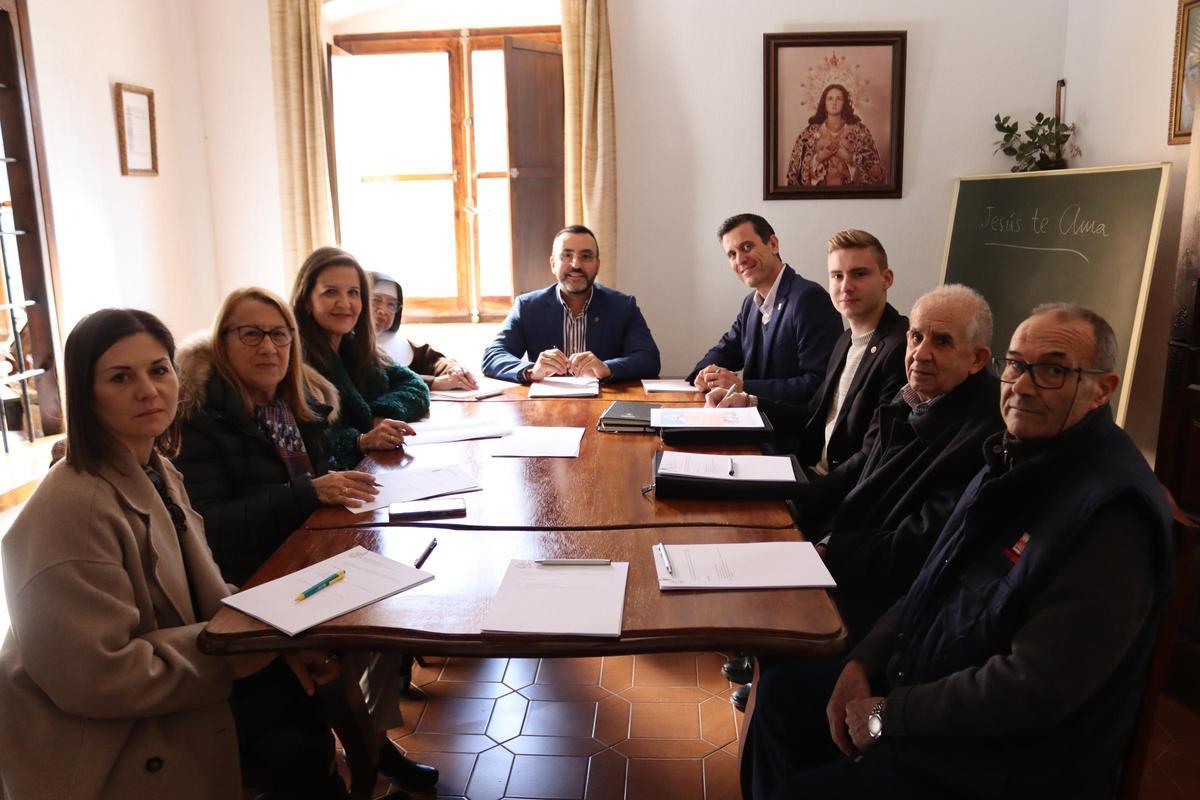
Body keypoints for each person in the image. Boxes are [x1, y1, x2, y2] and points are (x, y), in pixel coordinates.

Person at [746, 303, 1173, 800]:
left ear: (1103, 388)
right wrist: (863, 663)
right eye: (1015, 365)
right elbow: (931, 577)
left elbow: (1034, 687)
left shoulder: (1113, 514)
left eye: (1054, 370)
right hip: (922, 685)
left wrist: (890, 714)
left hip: (1000, 757)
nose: (1024, 385)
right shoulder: (1011, 455)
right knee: (780, 700)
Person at [0, 308, 341, 800]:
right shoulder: (75, 508)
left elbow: (207, 594)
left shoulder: (156, 467)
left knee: (307, 702)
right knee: (296, 745)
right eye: (121, 377)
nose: (148, 390)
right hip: (102, 742)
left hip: (163, 684)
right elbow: (100, 677)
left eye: (159, 370)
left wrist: (283, 646)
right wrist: (247, 652)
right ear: (85, 394)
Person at [174, 287, 438, 794]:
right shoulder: (204, 420)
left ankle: (372, 747)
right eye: (250, 334)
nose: (268, 347)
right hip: (251, 589)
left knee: (396, 606)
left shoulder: (295, 406)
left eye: (279, 335)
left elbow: (315, 485)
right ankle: (356, 758)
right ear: (222, 343)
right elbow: (208, 528)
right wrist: (309, 491)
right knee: (308, 710)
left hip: (305, 568)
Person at [710, 229, 907, 476]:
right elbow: (811, 416)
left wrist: (806, 494)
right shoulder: (846, 341)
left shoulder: (901, 347)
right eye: (837, 276)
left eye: (859, 274)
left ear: (886, 279)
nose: (846, 286)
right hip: (809, 471)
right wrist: (748, 402)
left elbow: (872, 456)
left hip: (837, 494)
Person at [291, 246, 430, 470]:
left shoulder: (358, 345)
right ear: (307, 299)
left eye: (353, 292)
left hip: (372, 471)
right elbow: (301, 443)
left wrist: (381, 416)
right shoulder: (294, 360)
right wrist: (361, 440)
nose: (345, 303)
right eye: (330, 292)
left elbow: (415, 385)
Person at [688, 213, 842, 405]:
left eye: (747, 247)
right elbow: (725, 351)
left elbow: (818, 384)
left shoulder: (808, 298)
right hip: (754, 423)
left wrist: (743, 387)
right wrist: (705, 373)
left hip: (791, 429)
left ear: (773, 244)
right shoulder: (750, 305)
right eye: (732, 254)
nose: (740, 260)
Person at [481, 224, 661, 383]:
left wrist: (607, 368)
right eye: (567, 255)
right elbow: (493, 356)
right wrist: (531, 370)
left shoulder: (622, 306)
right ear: (553, 264)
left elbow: (649, 358)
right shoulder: (528, 307)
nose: (576, 264)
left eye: (586, 256)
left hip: (604, 405)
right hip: (546, 408)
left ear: (597, 265)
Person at [369, 271, 479, 391]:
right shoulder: (348, 343)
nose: (383, 310)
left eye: (391, 304)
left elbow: (434, 361)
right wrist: (434, 382)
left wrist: (455, 370)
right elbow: (379, 377)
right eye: (375, 300)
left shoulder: (401, 344)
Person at [786, 83, 885, 187]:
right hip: (817, 199)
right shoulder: (808, 134)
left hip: (851, 198)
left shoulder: (860, 132)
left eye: (839, 98)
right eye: (830, 98)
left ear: (845, 103)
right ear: (824, 103)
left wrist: (849, 158)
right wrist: (818, 158)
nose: (834, 102)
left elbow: (876, 174)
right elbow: (794, 176)